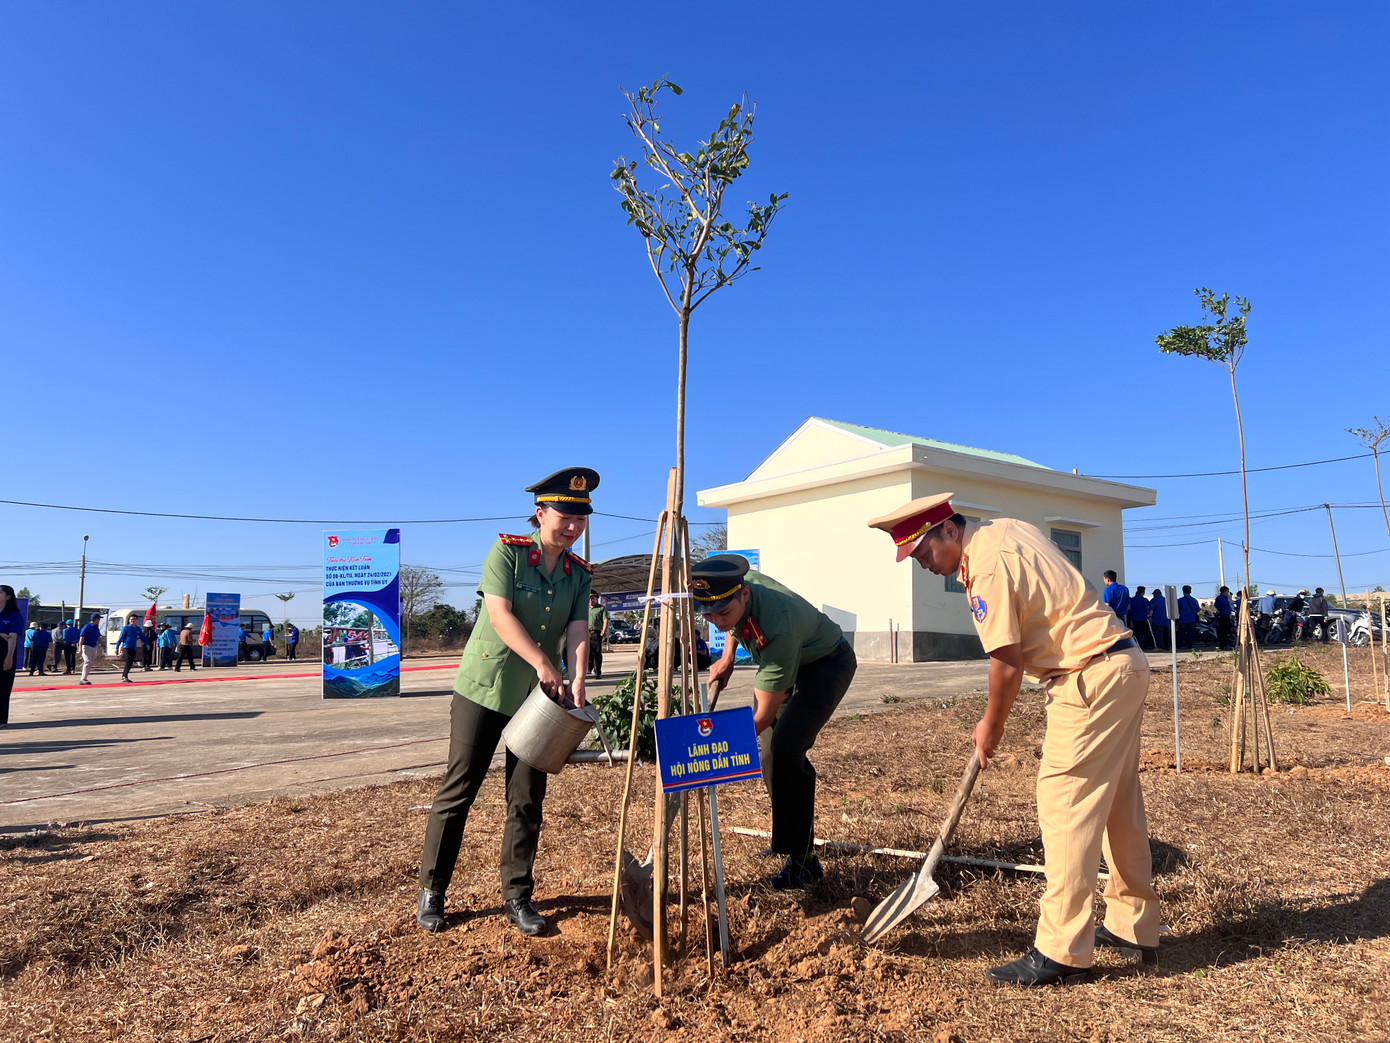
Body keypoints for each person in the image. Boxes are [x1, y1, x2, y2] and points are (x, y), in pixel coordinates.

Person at [870, 493, 1158, 987]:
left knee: (1063, 802)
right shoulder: (1005, 530)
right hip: (1121, 665)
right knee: (1115, 802)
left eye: (923, 555)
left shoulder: (985, 565)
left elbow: (1005, 659)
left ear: (949, 531)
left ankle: (1063, 950)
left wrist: (991, 725)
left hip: (1088, 677)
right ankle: (1133, 922)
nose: (926, 568)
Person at [417, 467, 599, 938]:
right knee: (461, 788)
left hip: (540, 701)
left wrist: (577, 678)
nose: (573, 526)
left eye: (581, 517)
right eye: (565, 515)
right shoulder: (507, 553)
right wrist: (544, 663)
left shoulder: (579, 574)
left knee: (526, 799)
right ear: (540, 514)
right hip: (485, 688)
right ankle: (433, 892)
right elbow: (499, 615)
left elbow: (578, 629)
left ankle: (517, 896)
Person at [696, 553, 857, 890]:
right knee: (769, 753)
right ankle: (790, 837)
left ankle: (804, 861)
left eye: (722, 613)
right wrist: (727, 658)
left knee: (785, 748)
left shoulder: (777, 625)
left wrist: (710, 745)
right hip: (791, 660)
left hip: (826, 665)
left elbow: (761, 716)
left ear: (744, 595)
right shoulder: (734, 587)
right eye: (707, 615)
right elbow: (733, 621)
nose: (716, 621)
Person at [0, 586, 24, 727]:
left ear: (8, 597)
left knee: (3, 686)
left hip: (4, 651)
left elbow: (12, 638)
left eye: (0, 592)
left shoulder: (14, 615)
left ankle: (2, 719)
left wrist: (9, 657)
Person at [116, 613, 145, 682]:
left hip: (134, 647)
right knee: (128, 660)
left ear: (136, 620)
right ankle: (124, 676)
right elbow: (121, 638)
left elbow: (142, 637)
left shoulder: (137, 629)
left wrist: (146, 644)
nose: (132, 621)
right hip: (127, 646)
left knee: (131, 661)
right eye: (131, 619)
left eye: (134, 619)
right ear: (129, 620)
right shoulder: (126, 628)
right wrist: (117, 647)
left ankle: (125, 675)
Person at [77, 612, 103, 684]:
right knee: (87, 661)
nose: (99, 621)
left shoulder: (96, 628)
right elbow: (81, 638)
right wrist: (79, 648)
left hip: (93, 646)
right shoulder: (87, 627)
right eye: (98, 619)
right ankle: (83, 679)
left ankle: (85, 677)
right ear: (95, 619)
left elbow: (99, 637)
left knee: (90, 663)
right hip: (86, 646)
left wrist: (103, 645)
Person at [587, 593, 607, 679]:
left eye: (593, 598)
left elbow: (605, 620)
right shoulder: (585, 609)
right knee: (587, 652)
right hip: (586, 633)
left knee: (597, 653)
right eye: (590, 598)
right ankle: (589, 668)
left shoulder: (601, 608)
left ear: (597, 599)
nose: (591, 600)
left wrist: (603, 630)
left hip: (596, 633)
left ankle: (597, 671)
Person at [1129, 586, 1152, 650]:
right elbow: (1150, 607)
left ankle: (1137, 645)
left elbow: (1129, 607)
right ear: (1143, 592)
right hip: (1144, 618)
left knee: (1136, 633)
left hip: (1135, 619)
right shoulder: (1145, 600)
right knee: (1146, 633)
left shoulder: (1132, 600)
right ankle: (1147, 645)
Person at [1149, 586, 1169, 651]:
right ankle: (1167, 646)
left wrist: (1150, 617)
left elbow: (1151, 610)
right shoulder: (1166, 600)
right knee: (1166, 635)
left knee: (1158, 635)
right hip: (1166, 620)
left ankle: (1160, 647)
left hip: (1157, 620)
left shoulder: (1153, 600)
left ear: (1155, 594)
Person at [1214, 586, 1234, 650]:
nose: (1228, 593)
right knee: (1223, 631)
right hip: (1223, 616)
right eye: (1227, 592)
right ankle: (1223, 645)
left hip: (1227, 615)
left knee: (1227, 630)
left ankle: (1226, 644)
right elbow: (1216, 605)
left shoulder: (1226, 598)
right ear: (1225, 591)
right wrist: (1221, 610)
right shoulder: (1220, 598)